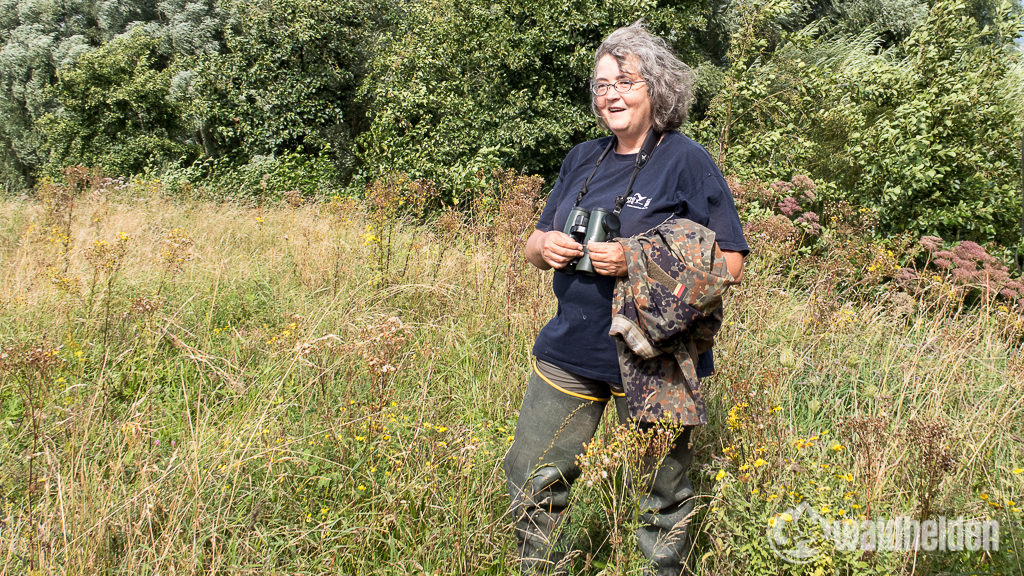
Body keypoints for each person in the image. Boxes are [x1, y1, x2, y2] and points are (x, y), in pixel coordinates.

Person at [503, 21, 749, 576]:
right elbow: (532, 244)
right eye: (600, 84)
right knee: (533, 475)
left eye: (624, 81)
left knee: (661, 494)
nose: (609, 94)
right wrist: (548, 246)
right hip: (570, 349)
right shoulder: (582, 158)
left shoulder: (685, 158)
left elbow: (730, 262)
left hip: (653, 356)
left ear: (656, 89)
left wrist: (634, 259)